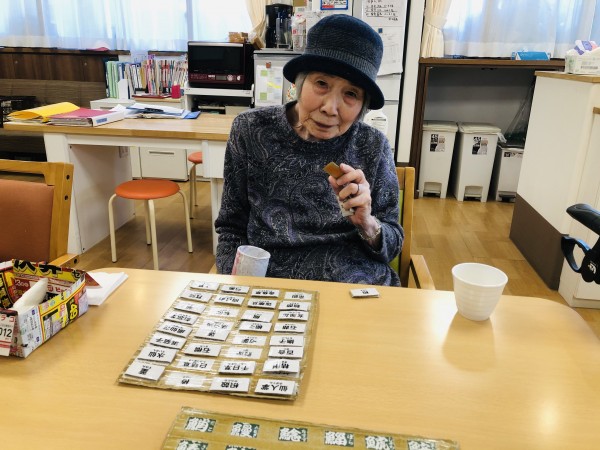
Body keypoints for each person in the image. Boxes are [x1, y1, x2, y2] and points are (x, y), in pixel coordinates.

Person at [215, 14, 403, 286]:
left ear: (362, 106)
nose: (330, 108)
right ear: (299, 83)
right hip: (271, 285)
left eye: (351, 94)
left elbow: (392, 246)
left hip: (354, 287)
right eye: (321, 84)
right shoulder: (251, 130)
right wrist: (234, 288)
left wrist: (367, 222)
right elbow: (231, 228)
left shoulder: (372, 146)